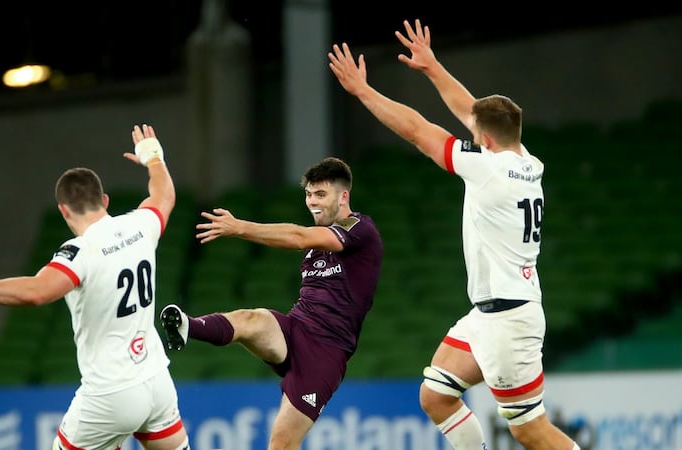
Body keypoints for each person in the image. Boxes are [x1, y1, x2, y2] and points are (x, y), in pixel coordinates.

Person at [328, 18, 580, 450]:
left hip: (507, 319)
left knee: (527, 429)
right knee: (436, 395)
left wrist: (363, 91)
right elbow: (471, 111)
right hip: (491, 313)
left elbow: (417, 130)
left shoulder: (486, 169)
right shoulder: (525, 160)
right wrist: (432, 67)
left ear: (483, 139)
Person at [0, 124, 192, 450]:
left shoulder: (81, 252)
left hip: (111, 392)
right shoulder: (140, 224)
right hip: (156, 378)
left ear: (63, 210)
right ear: (105, 200)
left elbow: (37, 292)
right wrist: (153, 157)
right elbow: (165, 194)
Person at [160, 156, 383, 450]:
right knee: (252, 319)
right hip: (295, 331)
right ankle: (188, 326)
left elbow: (299, 236)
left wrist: (239, 227)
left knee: (280, 445)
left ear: (343, 197)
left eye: (321, 194)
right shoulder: (315, 249)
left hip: (325, 352)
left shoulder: (359, 228)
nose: (312, 202)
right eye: (308, 194)